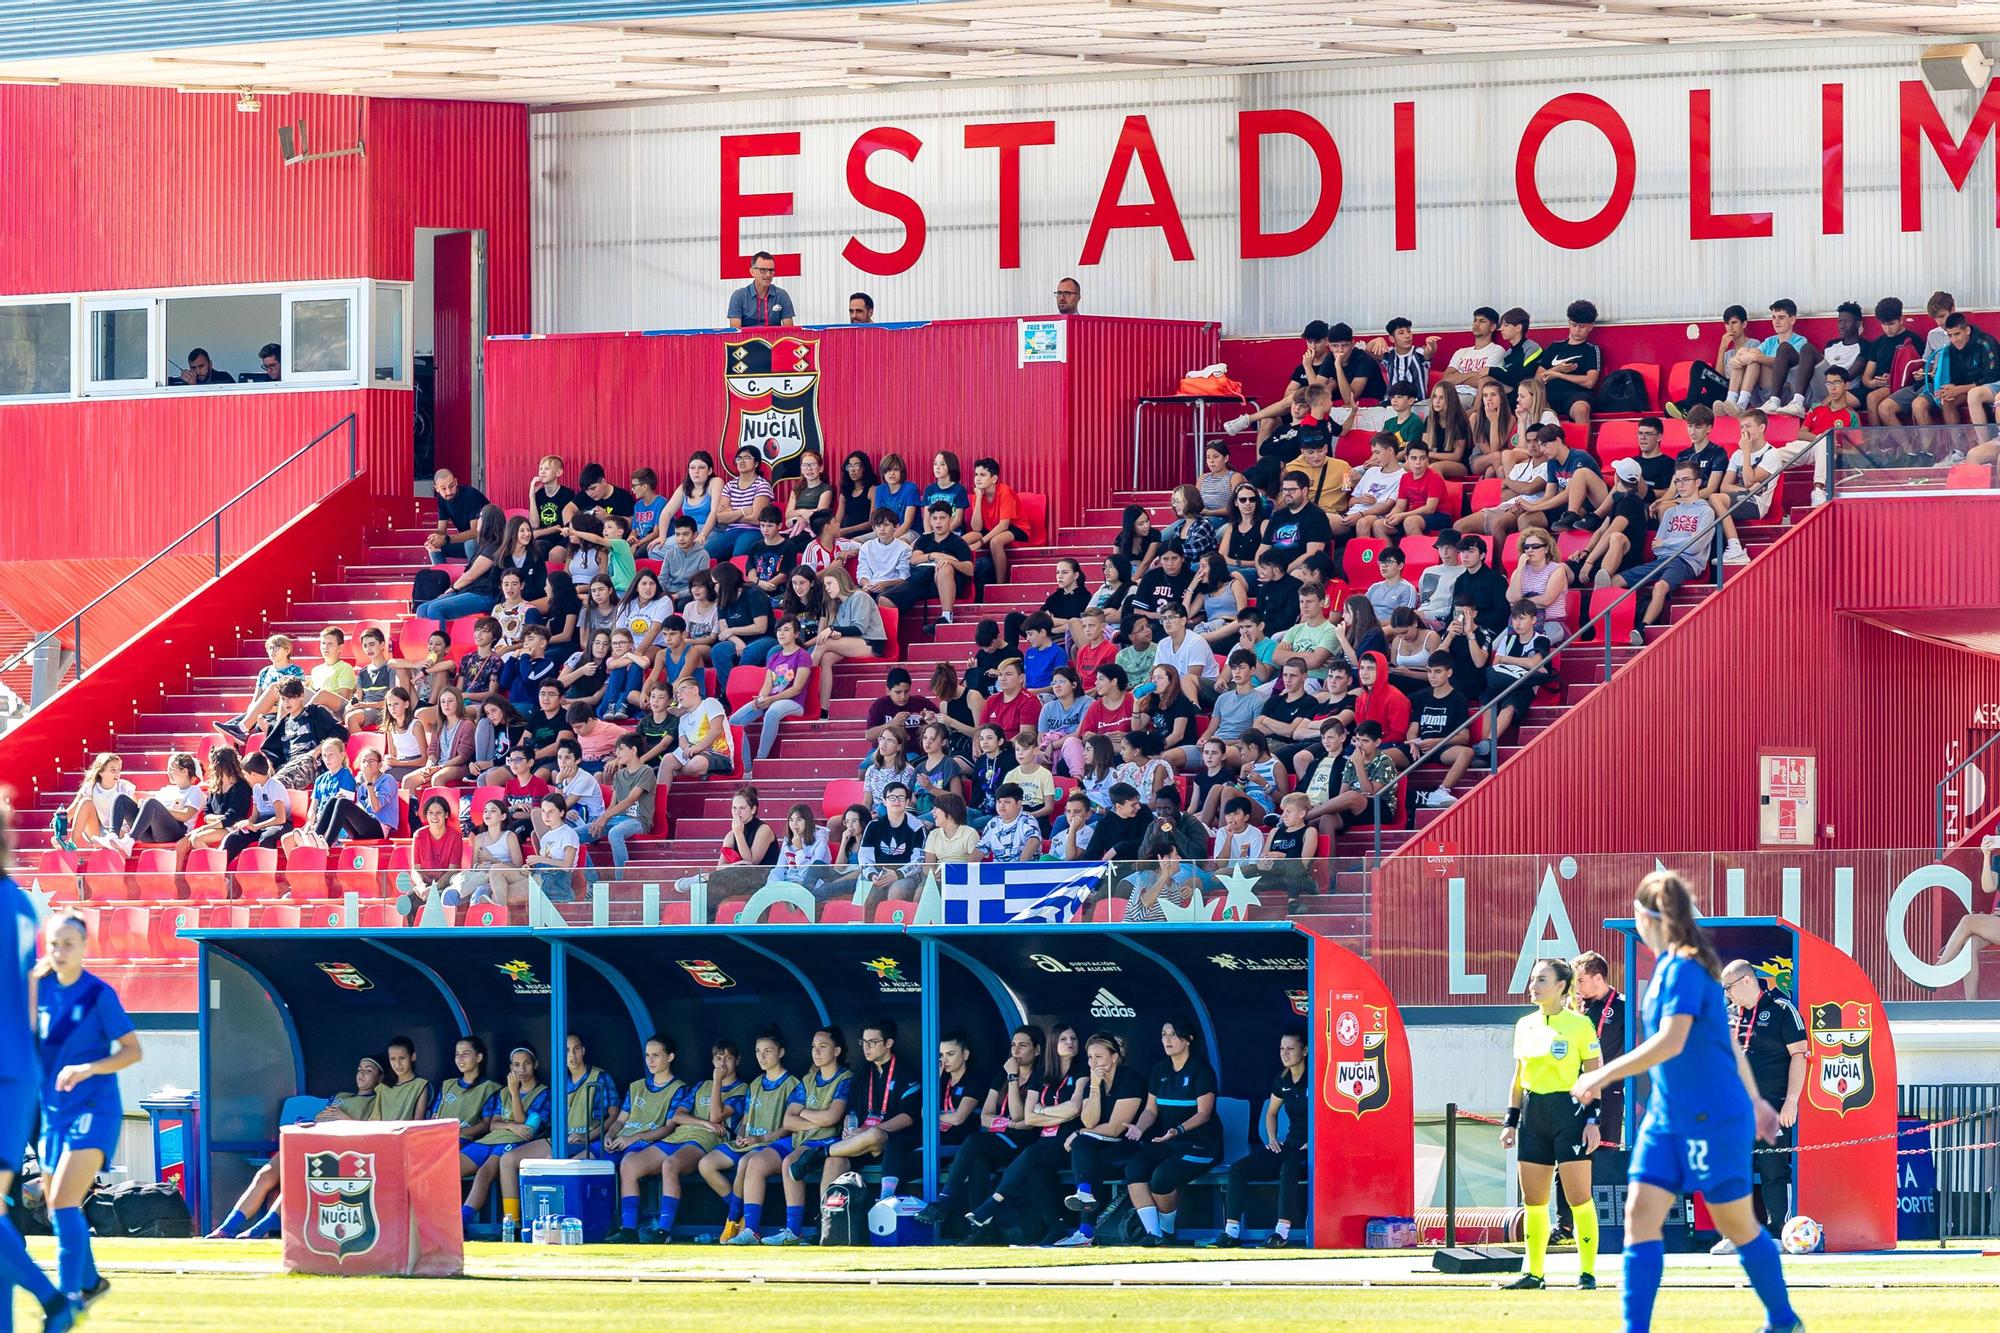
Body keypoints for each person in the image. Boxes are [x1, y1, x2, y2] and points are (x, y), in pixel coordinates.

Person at [1571, 871, 1798, 1333]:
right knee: (1639, 1216)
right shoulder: (1669, 969)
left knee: (1736, 1223)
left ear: (1647, 916)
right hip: (1667, 1118)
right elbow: (1729, 1043)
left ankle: (1783, 1320)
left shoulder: (1686, 969)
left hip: (1711, 1116)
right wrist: (1758, 1100)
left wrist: (1603, 1073)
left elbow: (1672, 1042)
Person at [34, 914, 139, 1312]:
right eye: (54, 944)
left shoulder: (98, 994)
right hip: (53, 1113)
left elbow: (133, 1050)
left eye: (68, 944)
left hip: (95, 1109)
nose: (60, 952)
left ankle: (68, 1297)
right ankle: (92, 1282)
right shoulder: (39, 989)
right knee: (57, 1206)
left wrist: (88, 1068)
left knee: (61, 1201)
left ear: (84, 947)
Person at [1497, 957, 1604, 1291]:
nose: (1534, 985)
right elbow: (1518, 1078)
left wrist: (1592, 1120)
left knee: (1578, 1198)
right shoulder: (1524, 1025)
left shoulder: (1580, 1025)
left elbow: (1594, 1074)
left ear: (1561, 986)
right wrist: (1510, 1121)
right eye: (1532, 979)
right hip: (1533, 1114)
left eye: (1541, 980)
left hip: (1568, 1113)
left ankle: (1587, 1273)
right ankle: (1535, 1274)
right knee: (1533, 1200)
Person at [789, 1020, 920, 1236]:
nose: (866, 1047)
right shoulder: (862, 1074)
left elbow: (907, 1118)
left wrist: (867, 1132)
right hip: (860, 1144)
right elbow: (851, 1113)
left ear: (888, 1043)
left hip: (894, 1142)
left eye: (873, 1042)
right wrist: (851, 1128)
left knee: (876, 1133)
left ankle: (820, 1153)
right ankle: (826, 1224)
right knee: (835, 1161)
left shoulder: (907, 1072)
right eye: (864, 1042)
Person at [916, 1025, 1047, 1228]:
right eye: (1013, 1045)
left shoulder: (1039, 1076)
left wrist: (1013, 1078)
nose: (1016, 1051)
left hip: (1022, 1144)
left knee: (975, 1141)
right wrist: (1009, 1123)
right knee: (979, 1162)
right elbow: (985, 1117)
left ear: (1037, 1050)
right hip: (1001, 1138)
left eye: (1023, 1045)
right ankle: (979, 1228)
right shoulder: (1001, 1075)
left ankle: (944, 1200)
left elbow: (1020, 1115)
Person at [1718, 959, 1807, 1249]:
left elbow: (1800, 1055)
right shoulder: (1728, 1014)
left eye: (1729, 987)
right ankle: (1735, 1234)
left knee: (1773, 1170)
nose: (1727, 994)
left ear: (1747, 981)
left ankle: (1779, 1230)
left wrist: (1791, 1101)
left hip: (1771, 1108)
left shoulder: (1782, 1009)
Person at [1200, 1027, 1307, 1249]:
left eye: (1290, 1049)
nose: (1285, 1054)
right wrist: (1272, 1138)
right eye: (1281, 1049)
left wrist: (1315, 1143)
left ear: (1304, 1051)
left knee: (1290, 1166)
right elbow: (1271, 1112)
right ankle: (1231, 1232)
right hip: (1289, 1145)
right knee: (1240, 1168)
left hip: (1312, 1150)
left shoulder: (1315, 1078)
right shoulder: (1282, 1079)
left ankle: (1281, 1233)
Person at [742, 1028, 850, 1248]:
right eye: (813, 1047)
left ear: (836, 1050)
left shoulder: (845, 1078)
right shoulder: (808, 1079)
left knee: (790, 1163)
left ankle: (793, 1231)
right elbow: (788, 1122)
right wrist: (818, 1119)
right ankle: (750, 1230)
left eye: (823, 1046)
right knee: (755, 1162)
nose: (816, 1052)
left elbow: (833, 1117)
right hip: (798, 1139)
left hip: (825, 1142)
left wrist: (805, 1113)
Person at [1118, 1018, 1220, 1246]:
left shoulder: (1201, 1070)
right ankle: (1154, 1235)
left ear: (1188, 1039)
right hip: (1169, 1141)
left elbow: (1204, 1114)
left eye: (1173, 1034)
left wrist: (1177, 1130)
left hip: (1202, 1143)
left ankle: (1166, 1231)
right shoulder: (1160, 1069)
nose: (1167, 1040)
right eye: (1164, 1035)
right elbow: (1150, 1110)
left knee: (1161, 1178)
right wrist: (1139, 1127)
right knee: (1134, 1168)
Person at [640, 1040, 748, 1243]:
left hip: (711, 1140)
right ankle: (631, 1227)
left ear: (738, 1060)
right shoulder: (701, 1085)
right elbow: (677, 1116)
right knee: (632, 1163)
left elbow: (717, 1116)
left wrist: (717, 1082)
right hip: (682, 1135)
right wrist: (702, 1122)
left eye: (728, 1058)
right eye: (718, 1058)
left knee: (669, 1165)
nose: (722, 1063)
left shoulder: (742, 1089)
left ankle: (664, 1230)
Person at [1053, 1032, 1147, 1247]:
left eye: (1099, 1057)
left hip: (1132, 1146)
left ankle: (1086, 1231)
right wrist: (1095, 1086)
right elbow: (1088, 1121)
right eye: (1090, 1058)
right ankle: (1084, 1202)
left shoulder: (1130, 1079)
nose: (1093, 1063)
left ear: (1114, 1057)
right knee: (1085, 1151)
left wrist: (1079, 1133)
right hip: (1103, 1147)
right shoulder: (1092, 1083)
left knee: (1083, 1144)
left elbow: (1115, 1129)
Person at [603, 1034, 693, 1244]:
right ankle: (600, 1224)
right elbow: (620, 1120)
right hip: (620, 1142)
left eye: (656, 1055)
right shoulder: (636, 1086)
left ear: (670, 1057)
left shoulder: (679, 1088)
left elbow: (669, 1128)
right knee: (591, 1162)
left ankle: (629, 1229)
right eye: (647, 1055)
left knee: (628, 1164)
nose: (650, 1060)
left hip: (646, 1144)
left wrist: (634, 1138)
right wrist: (610, 1134)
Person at [1613, 462, 1715, 643]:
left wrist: (1668, 543)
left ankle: (1641, 628)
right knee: (1615, 581)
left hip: (1685, 562)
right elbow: (1656, 547)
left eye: (1686, 480)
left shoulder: (1706, 512)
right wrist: (1683, 540)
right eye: (1677, 481)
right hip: (1663, 560)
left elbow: (1695, 547)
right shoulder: (1670, 512)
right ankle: (1625, 622)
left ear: (1698, 482)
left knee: (1660, 586)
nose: (1681, 485)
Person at [461, 1046, 553, 1232]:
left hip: (514, 1144)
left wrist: (514, 1093)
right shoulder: (503, 1092)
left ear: (535, 1064)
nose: (522, 1070)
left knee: (484, 1173)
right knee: (446, 1169)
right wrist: (510, 1125)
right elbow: (493, 1124)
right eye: (517, 1065)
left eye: (527, 1063)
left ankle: (463, 1221)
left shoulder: (544, 1093)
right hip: (489, 1140)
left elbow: (526, 1127)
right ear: (511, 1067)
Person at [436, 1036, 502, 1178]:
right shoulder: (447, 1085)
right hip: (437, 1139)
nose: (460, 1058)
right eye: (457, 1054)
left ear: (479, 1057)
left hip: (464, 1142)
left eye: (465, 1054)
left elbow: (486, 1124)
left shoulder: (490, 1088)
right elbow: (434, 1116)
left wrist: (459, 1132)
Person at [590, 734, 658, 870]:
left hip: (638, 820)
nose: (617, 754)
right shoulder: (618, 775)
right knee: (575, 834)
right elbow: (613, 805)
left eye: (620, 749)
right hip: (616, 819)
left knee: (615, 833)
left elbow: (631, 799)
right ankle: (591, 880)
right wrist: (600, 820)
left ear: (633, 750)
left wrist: (604, 817)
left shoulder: (646, 771)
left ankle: (622, 881)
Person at [1537, 299, 1602, 425]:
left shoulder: (1592, 350)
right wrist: (1558, 369)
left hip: (1577, 395)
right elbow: (1537, 379)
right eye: (1573, 325)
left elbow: (1590, 382)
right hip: (1549, 395)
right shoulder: (1554, 347)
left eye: (1582, 326)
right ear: (1568, 323)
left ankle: (1581, 445)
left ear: (1590, 326)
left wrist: (1559, 375)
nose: (1577, 330)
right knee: (1534, 405)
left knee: (1581, 409)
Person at [727, 250, 796, 327]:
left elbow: (789, 331)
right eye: (763, 270)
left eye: (771, 270)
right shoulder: (739, 296)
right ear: (752, 272)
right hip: (748, 339)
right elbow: (736, 333)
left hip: (775, 339)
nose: (768, 275)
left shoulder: (782, 295)